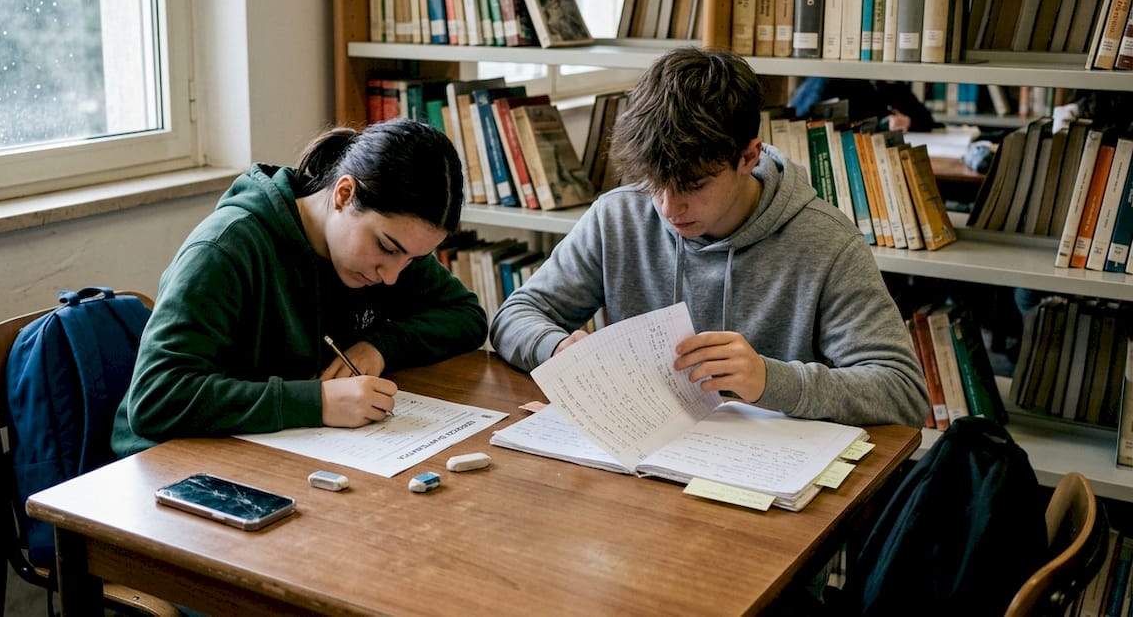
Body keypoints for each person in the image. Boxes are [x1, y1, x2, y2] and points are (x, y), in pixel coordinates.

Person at [489, 47, 929, 428]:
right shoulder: (619, 215)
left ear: (748, 156)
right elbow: (515, 315)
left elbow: (903, 392)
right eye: (655, 182)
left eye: (693, 185)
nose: (667, 207)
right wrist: (558, 346)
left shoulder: (826, 242)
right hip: (643, 457)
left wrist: (769, 380)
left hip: (769, 480)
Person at [112, 118, 488, 457]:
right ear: (344, 194)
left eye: (410, 260)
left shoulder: (391, 245)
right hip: (171, 464)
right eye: (387, 249)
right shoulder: (224, 249)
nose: (391, 275)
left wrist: (378, 345)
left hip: (277, 447)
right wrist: (316, 402)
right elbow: (156, 398)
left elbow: (467, 316)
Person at [790, 77, 937, 132]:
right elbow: (798, 120)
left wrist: (907, 121)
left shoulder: (887, 83)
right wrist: (880, 126)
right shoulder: (827, 81)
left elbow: (928, 121)